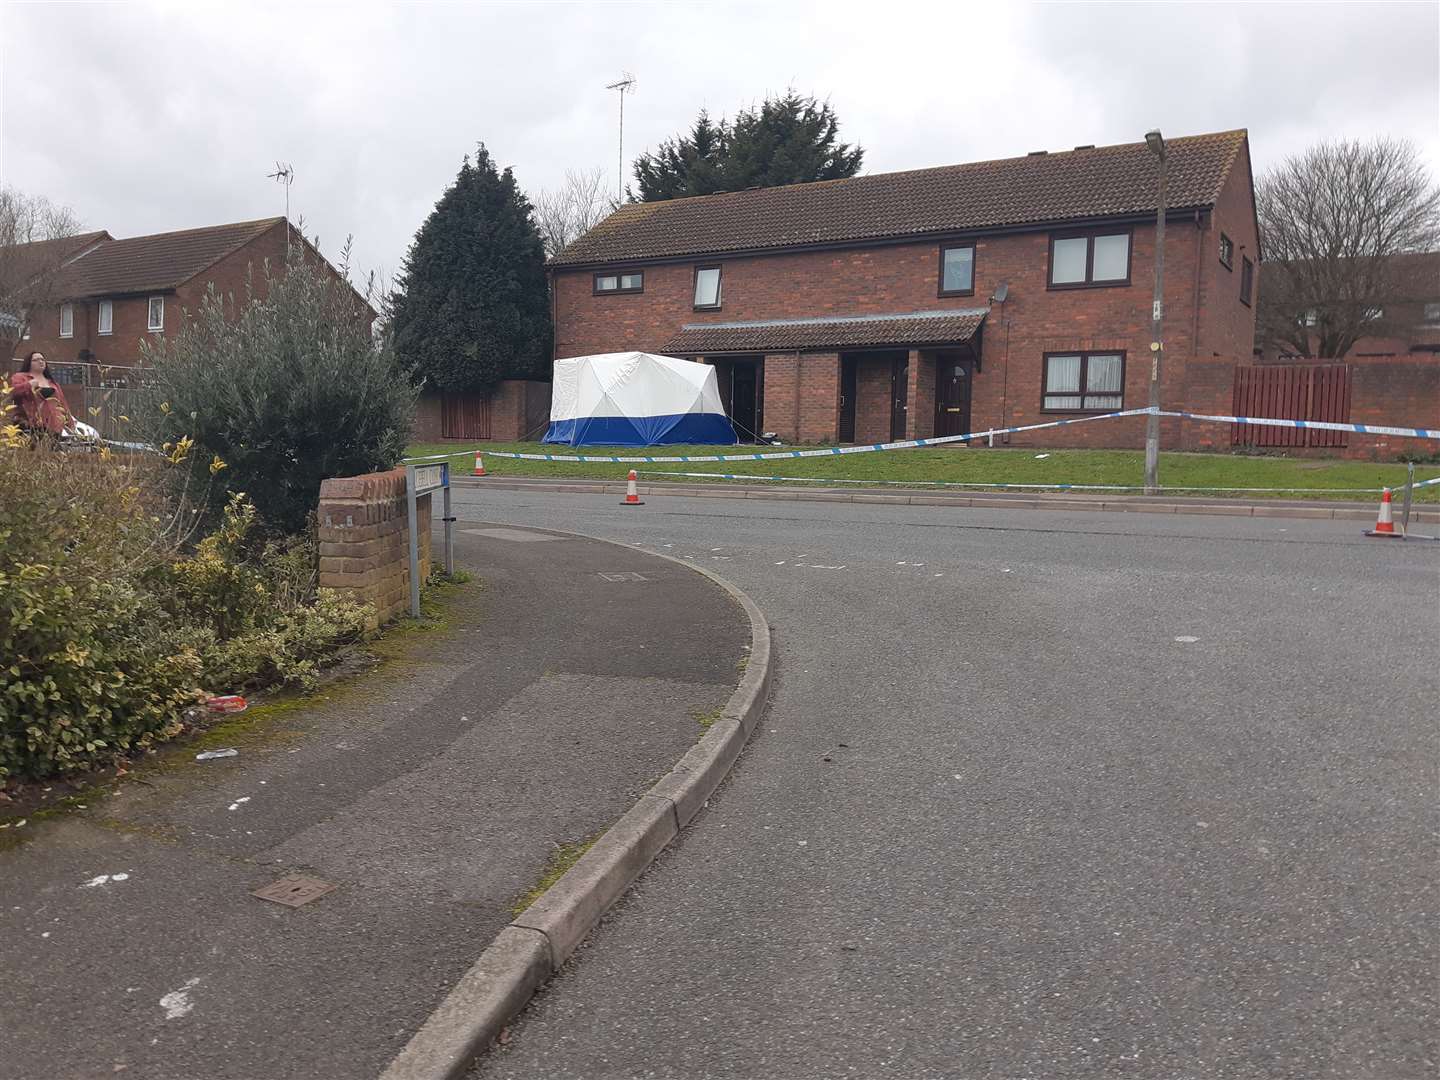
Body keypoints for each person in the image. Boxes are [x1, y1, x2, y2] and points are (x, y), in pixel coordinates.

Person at [8, 351, 76, 446]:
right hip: (30, 426)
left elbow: (63, 404)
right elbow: (12, 392)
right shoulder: (20, 377)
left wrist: (70, 424)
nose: (40, 362)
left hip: (53, 427)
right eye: (36, 360)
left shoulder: (53, 384)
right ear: (29, 363)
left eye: (42, 359)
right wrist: (28, 385)